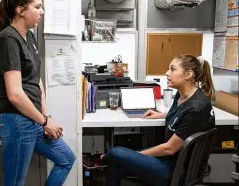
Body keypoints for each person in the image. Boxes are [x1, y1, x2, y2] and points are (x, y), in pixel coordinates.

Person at [84, 54, 216, 186]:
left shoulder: (197, 108)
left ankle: (100, 160)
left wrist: (137, 155)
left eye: (172, 69)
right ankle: (106, 161)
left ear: (188, 74)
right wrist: (160, 114)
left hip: (176, 170)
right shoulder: (183, 95)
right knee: (116, 162)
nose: (167, 73)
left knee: (116, 152)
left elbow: (169, 149)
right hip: (171, 160)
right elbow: (181, 115)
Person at [0, 0, 75, 186]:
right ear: (21, 10)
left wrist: (46, 117)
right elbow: (15, 94)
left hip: (32, 118)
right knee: (15, 183)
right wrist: (45, 122)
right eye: (37, 7)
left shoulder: (28, 37)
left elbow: (36, 80)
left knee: (66, 159)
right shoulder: (8, 39)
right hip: (16, 120)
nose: (42, 11)